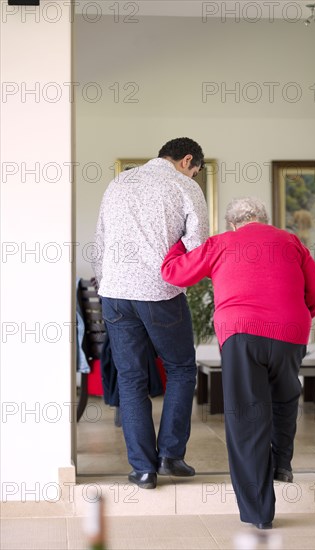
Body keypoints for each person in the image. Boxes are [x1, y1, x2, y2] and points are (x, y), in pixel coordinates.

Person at [161, 196, 315, 528]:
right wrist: (295, 320)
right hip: (290, 332)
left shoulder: (221, 243)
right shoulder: (291, 241)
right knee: (284, 396)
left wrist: (177, 242)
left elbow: (173, 274)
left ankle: (259, 513)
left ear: (233, 224)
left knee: (248, 419)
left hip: (241, 333)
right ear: (264, 220)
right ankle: (282, 462)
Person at [92, 137, 209, 489]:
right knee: (182, 368)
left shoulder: (119, 182)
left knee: (130, 379)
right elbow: (198, 246)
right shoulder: (184, 186)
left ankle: (143, 469)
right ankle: (171, 455)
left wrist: (108, 281)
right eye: (197, 171)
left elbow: (100, 242)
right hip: (159, 292)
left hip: (114, 293)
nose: (195, 175)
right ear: (188, 160)